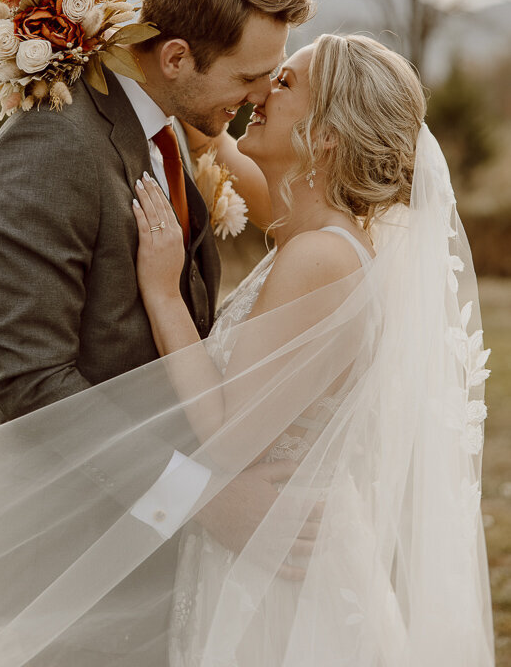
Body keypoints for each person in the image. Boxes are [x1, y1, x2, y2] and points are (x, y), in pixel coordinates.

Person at [0, 0, 312, 649]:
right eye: (250, 76)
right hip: (68, 549)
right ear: (178, 56)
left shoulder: (167, 132)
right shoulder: (52, 146)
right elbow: (30, 380)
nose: (258, 99)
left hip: (150, 544)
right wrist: (205, 500)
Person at [130, 34, 494, 666]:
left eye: (286, 83)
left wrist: (163, 296)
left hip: (283, 589)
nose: (264, 89)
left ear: (324, 135)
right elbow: (212, 130)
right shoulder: (313, 228)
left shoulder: (321, 257)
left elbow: (224, 434)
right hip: (269, 549)